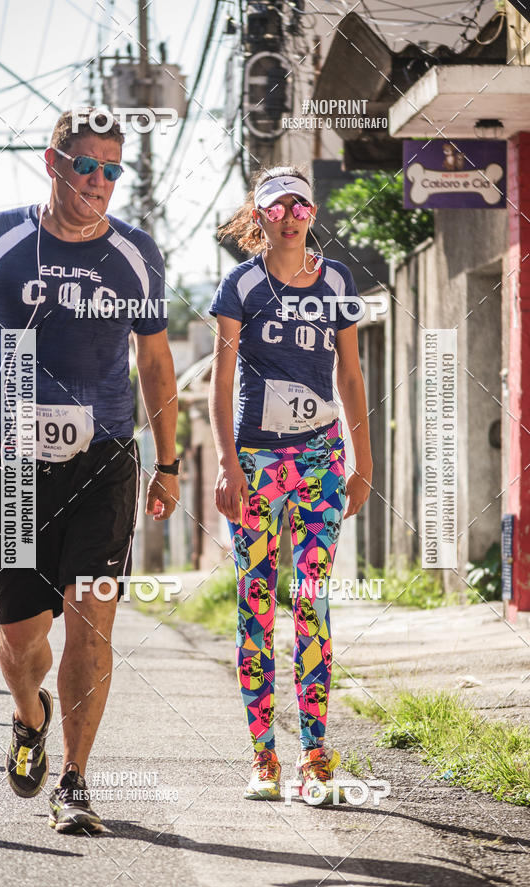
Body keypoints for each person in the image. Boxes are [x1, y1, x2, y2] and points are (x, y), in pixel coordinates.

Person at [0, 109, 180, 834]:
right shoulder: (0, 239)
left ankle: (75, 782)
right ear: (53, 163)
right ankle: (26, 713)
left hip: (106, 462)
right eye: (87, 166)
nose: (100, 182)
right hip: (19, 471)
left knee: (91, 622)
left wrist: (166, 463)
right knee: (18, 634)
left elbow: (157, 361)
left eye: (113, 170)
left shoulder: (135, 253)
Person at [208, 166, 372, 805]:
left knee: (311, 603)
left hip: (322, 463)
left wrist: (364, 465)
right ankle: (263, 759)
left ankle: (317, 758)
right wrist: (225, 463)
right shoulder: (241, 283)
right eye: (278, 206)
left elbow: (352, 378)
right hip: (255, 464)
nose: (291, 214)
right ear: (261, 216)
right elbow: (220, 384)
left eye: (301, 203)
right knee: (254, 603)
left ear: (311, 212)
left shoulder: (336, 282)